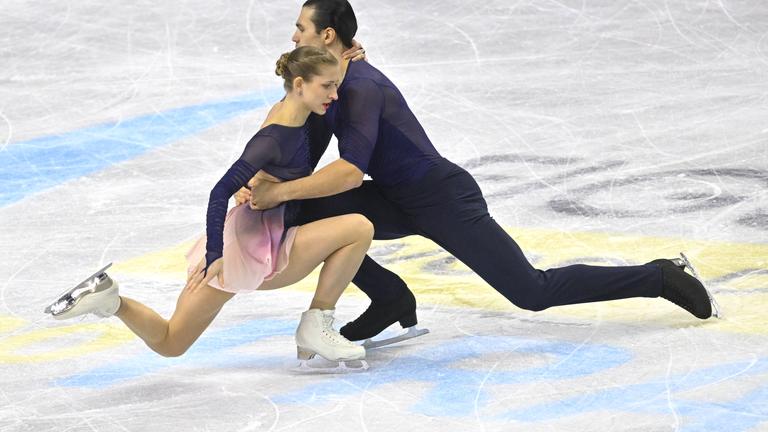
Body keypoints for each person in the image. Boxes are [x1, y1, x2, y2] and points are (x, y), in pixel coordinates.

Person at [246, 0, 718, 343]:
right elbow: (299, 151)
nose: (293, 36)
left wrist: (281, 191)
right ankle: (391, 297)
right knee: (307, 214)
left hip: (442, 199)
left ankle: (659, 276)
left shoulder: (361, 87)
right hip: (393, 198)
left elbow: (348, 173)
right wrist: (265, 184)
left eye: (300, 27)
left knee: (532, 292)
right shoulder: (328, 85)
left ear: (328, 35)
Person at [45, 46, 373, 369]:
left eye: (335, 84)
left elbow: (324, 87)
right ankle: (315, 325)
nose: (335, 93)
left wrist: (350, 64)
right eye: (328, 86)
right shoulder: (273, 138)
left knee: (171, 342)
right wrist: (215, 255)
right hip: (250, 247)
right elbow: (220, 191)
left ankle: (110, 301)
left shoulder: (294, 108)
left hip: (252, 235)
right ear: (300, 84)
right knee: (358, 228)